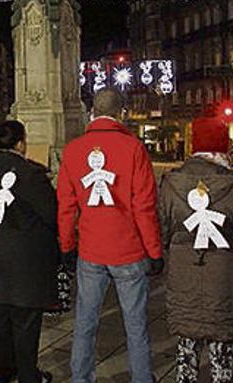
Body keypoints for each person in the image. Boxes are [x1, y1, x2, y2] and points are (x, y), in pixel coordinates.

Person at [56, 88, 163, 383]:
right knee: (136, 325)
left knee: (85, 323)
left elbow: (66, 207)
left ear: (92, 112)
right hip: (128, 251)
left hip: (90, 250)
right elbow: (145, 207)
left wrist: (66, 247)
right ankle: (141, 378)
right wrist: (154, 251)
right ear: (121, 113)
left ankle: (80, 378)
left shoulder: (74, 150)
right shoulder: (133, 149)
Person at [158, 116, 233, 383]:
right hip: (225, 276)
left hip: (184, 271)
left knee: (186, 348)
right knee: (221, 351)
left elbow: (162, 229)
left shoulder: (171, 183)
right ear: (224, 145)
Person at [0, 120, 57, 383]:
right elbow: (52, 215)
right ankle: (29, 377)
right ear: (20, 143)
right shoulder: (30, 174)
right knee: (25, 325)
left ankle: (2, 375)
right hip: (22, 265)